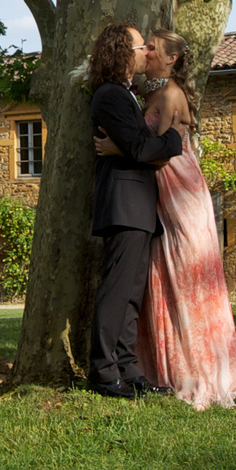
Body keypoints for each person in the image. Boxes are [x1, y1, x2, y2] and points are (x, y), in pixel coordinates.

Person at [129, 31, 236, 409]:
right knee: (163, 271)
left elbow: (160, 151)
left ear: (171, 59)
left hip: (180, 188)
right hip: (160, 191)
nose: (147, 50)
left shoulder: (171, 94)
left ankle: (200, 369)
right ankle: (167, 366)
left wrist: (116, 147)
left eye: (153, 47)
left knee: (189, 274)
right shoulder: (149, 92)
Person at [85, 23, 184, 399]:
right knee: (116, 291)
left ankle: (128, 370)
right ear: (124, 52)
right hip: (123, 205)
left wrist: (135, 146)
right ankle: (103, 372)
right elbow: (143, 149)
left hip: (139, 205)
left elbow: (136, 147)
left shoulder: (127, 94)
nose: (147, 53)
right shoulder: (109, 96)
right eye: (142, 46)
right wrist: (175, 137)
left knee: (131, 294)